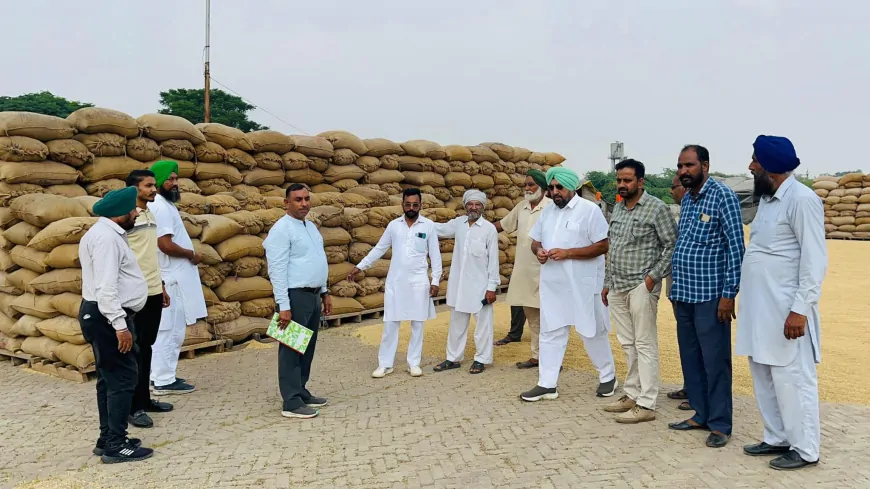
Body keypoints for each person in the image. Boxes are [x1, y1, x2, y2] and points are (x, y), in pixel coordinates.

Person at [737, 136, 826, 470]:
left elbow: (814, 261)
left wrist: (800, 310)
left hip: (786, 311)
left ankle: (805, 449)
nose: (750, 166)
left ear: (769, 166)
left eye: (754, 161)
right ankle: (776, 437)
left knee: (793, 379)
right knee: (763, 373)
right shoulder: (769, 200)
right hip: (760, 311)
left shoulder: (803, 200)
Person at [668, 145, 745, 449]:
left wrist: (729, 295)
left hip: (711, 296)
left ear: (705, 165)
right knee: (691, 358)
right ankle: (700, 414)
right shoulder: (687, 199)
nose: (682, 171)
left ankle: (721, 424)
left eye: (688, 165)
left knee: (715, 361)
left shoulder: (722, 196)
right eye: (679, 166)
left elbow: (736, 248)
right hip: (684, 293)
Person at [520, 167, 618, 402]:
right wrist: (539, 252)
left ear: (571, 187)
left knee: (592, 332)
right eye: (551, 188)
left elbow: (602, 246)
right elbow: (535, 241)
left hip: (584, 285)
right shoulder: (548, 212)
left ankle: (608, 377)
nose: (555, 192)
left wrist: (568, 253)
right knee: (550, 332)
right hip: (554, 284)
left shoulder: (590, 210)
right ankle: (547, 384)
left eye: (559, 188)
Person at [79, 186, 153, 463]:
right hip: (108, 316)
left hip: (103, 315)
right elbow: (106, 287)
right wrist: (120, 325)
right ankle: (115, 444)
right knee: (122, 380)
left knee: (109, 380)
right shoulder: (107, 240)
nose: (136, 213)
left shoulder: (102, 234)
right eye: (133, 209)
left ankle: (106, 437)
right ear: (120, 213)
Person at [602, 159, 677, 423]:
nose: (622, 185)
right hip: (618, 285)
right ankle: (632, 394)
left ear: (640, 182)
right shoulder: (618, 209)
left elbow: (671, 245)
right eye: (619, 180)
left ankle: (647, 404)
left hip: (640, 286)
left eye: (627, 180)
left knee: (644, 343)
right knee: (627, 342)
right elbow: (614, 246)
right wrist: (607, 282)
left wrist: (651, 278)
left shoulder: (656, 208)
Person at [348, 188, 441, 379]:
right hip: (396, 282)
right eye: (408, 204)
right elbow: (379, 249)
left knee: (418, 324)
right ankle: (385, 364)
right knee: (390, 323)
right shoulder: (393, 226)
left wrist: (436, 280)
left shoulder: (429, 226)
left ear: (421, 205)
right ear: (402, 205)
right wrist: (360, 266)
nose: (411, 208)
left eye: (415, 204)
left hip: (418, 282)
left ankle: (413, 363)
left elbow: (436, 255)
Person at [263, 183, 333, 419]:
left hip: (312, 295)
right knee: (292, 348)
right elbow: (277, 270)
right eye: (298, 199)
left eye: (306, 198)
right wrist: (284, 305)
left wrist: (324, 291)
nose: (304, 203)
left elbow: (319, 260)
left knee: (307, 346)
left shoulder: (310, 227)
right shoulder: (281, 230)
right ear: (286, 203)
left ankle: (301, 390)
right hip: (294, 296)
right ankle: (291, 402)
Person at [147, 160, 207, 396]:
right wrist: (191, 254)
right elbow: (164, 244)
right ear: (159, 182)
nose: (174, 183)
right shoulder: (161, 207)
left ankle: (159, 376)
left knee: (170, 329)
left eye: (175, 179)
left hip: (174, 277)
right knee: (170, 330)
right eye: (169, 179)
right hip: (171, 279)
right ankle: (163, 380)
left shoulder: (165, 205)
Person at [124, 170, 173, 428]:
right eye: (148, 186)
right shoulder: (127, 217)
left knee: (148, 347)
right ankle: (133, 407)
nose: (154, 190)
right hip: (136, 294)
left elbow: (150, 256)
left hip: (154, 290)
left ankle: (145, 399)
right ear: (135, 189)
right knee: (136, 350)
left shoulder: (150, 214)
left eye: (154, 185)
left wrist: (161, 286)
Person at [432, 189, 500, 375]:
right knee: (456, 324)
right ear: (465, 206)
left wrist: (492, 287)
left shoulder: (489, 229)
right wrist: (419, 222)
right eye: (470, 204)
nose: (474, 207)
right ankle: (453, 358)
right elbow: (437, 229)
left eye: (478, 204)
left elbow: (493, 261)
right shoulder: (458, 225)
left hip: (481, 287)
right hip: (459, 286)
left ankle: (481, 359)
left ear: (483, 207)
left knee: (483, 326)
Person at [492, 169, 552, 368]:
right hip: (525, 271)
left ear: (542, 188)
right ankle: (536, 357)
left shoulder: (552, 207)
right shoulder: (521, 207)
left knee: (550, 318)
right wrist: (479, 228)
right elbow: (503, 225)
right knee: (533, 317)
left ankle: (552, 358)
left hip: (547, 270)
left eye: (531, 185)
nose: (527, 188)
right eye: (525, 185)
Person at [665, 174, 692, 411]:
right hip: (678, 287)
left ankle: (697, 392)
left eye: (673, 187)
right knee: (685, 340)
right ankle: (690, 384)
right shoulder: (683, 211)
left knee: (696, 342)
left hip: (694, 289)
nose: (671, 191)